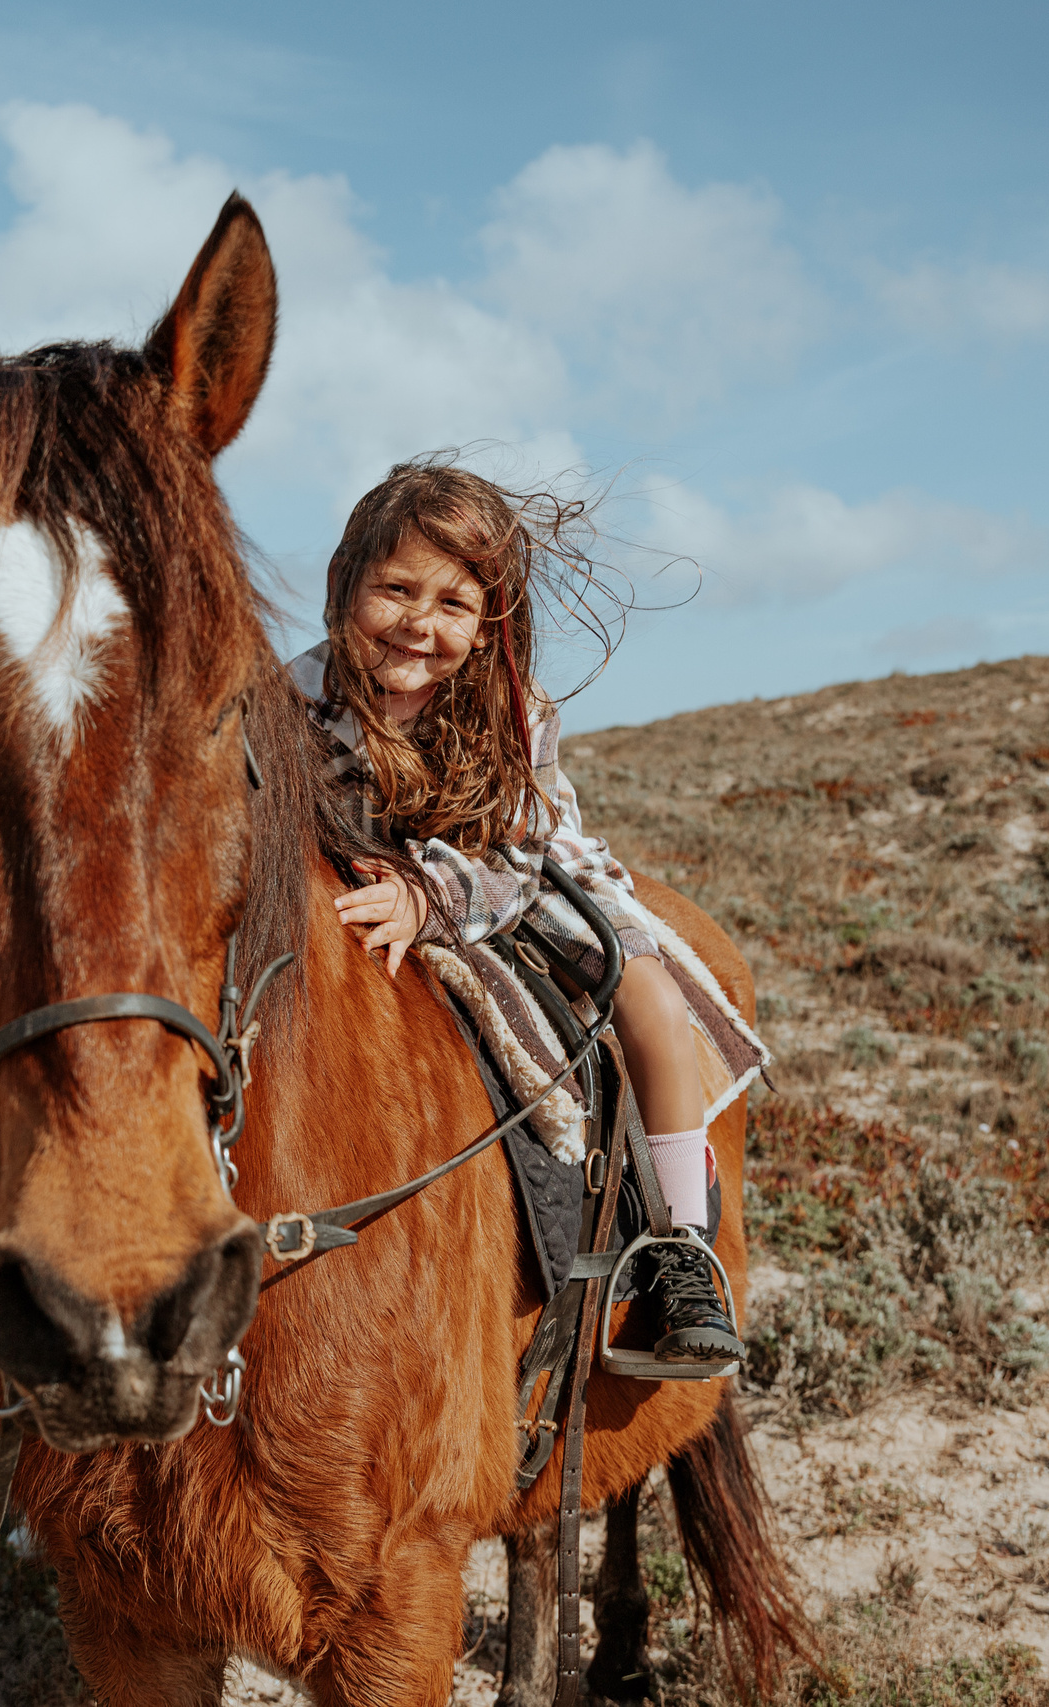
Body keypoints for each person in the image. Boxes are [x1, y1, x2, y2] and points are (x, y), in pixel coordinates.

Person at [290, 459, 745, 1363]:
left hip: (511, 871)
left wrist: (431, 896)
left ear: (490, 619)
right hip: (353, 875)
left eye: (456, 604)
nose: (422, 623)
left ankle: (680, 1244)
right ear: (345, 587)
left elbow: (522, 847)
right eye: (397, 589)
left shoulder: (510, 703)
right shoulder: (293, 697)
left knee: (646, 995)